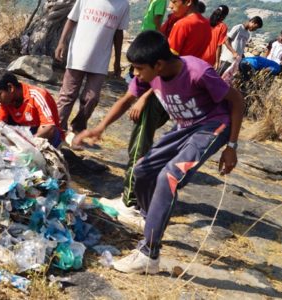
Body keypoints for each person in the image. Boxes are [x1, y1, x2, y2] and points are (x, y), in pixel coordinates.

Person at [74, 30, 244, 274]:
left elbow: (236, 101)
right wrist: (100, 127)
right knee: (142, 169)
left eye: (138, 68)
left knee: (169, 177)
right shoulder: (150, 74)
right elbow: (127, 98)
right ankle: (148, 216)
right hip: (184, 127)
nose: (135, 74)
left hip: (212, 127)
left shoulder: (198, 72)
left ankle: (149, 254)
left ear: (159, 64)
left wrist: (232, 146)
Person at [119, 0, 210, 209]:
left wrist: (144, 97)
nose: (170, 5)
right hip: (178, 92)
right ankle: (144, 196)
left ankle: (131, 199)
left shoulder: (182, 25)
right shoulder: (205, 25)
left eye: (174, 1)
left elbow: (164, 66)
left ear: (188, 2)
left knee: (140, 145)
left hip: (158, 93)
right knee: (155, 147)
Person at [54, 0, 130, 136]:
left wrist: (117, 61)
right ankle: (58, 129)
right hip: (78, 54)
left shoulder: (123, 5)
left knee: (92, 98)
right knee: (68, 94)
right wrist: (62, 42)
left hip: (100, 58)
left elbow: (119, 33)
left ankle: (78, 129)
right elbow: (72, 19)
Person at [0, 69, 64, 147]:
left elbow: (48, 127)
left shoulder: (36, 95)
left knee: (49, 132)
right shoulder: (6, 101)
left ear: (10, 88)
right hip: (26, 129)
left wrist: (29, 143)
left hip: (47, 133)